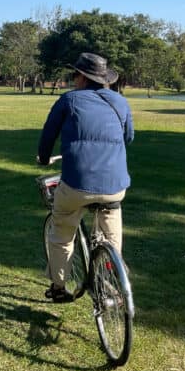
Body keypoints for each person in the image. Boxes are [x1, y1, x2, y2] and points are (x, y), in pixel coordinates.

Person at [37, 52, 134, 303]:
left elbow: (48, 136)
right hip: (115, 183)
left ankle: (58, 286)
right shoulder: (120, 102)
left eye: (75, 75)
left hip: (76, 183)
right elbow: (129, 137)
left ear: (81, 77)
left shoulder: (69, 100)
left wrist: (44, 157)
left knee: (62, 230)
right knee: (111, 230)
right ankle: (110, 276)